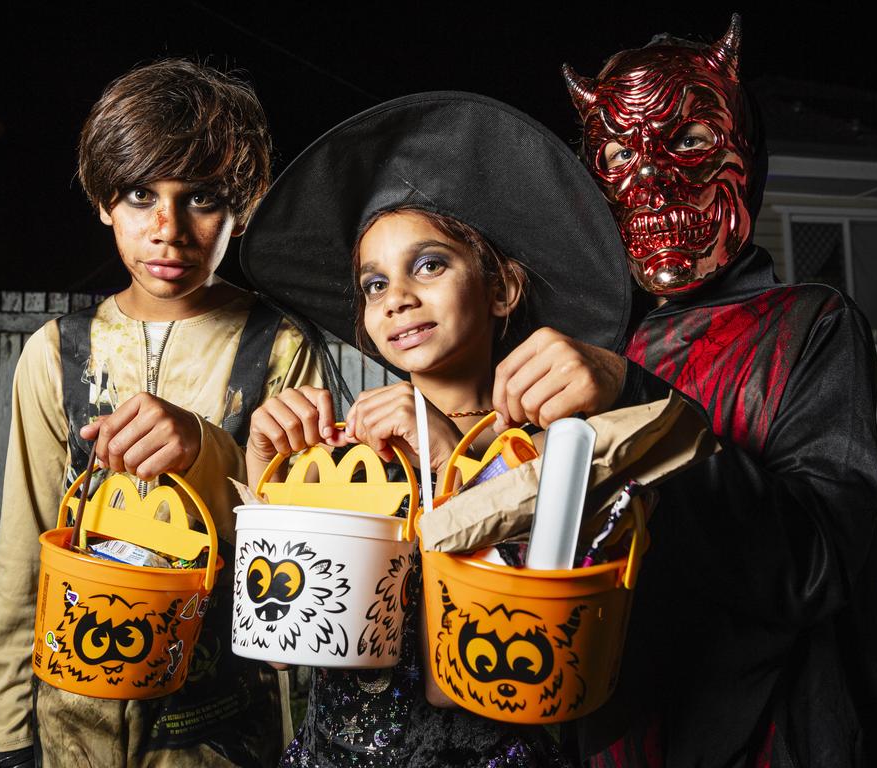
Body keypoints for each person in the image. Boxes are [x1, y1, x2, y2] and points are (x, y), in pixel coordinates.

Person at [473, 13, 877, 767]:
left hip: (776, 739)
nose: (648, 177)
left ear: (743, 146)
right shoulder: (610, 346)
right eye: (615, 153)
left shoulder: (811, 325)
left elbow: (812, 564)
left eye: (690, 141)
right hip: (625, 732)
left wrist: (633, 400)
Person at [235, 92, 632, 767]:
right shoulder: (356, 459)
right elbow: (282, 647)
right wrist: (266, 477)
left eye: (429, 264)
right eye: (373, 283)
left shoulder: (547, 453)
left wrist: (455, 469)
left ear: (501, 288)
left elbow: (480, 681)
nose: (398, 298)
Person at [0, 59, 322, 768]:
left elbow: (296, 567)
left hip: (223, 727)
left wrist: (206, 448)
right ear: (102, 199)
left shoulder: (280, 347)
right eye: (139, 195)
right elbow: (24, 548)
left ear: (243, 207)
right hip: (74, 720)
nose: (168, 228)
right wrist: (2, 737)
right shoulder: (56, 353)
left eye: (202, 198)